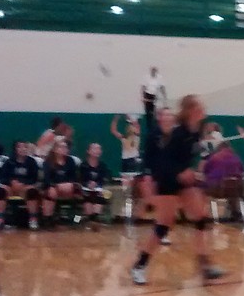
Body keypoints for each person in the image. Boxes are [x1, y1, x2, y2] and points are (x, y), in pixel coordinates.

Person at [130, 98, 224, 285]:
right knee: (164, 224)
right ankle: (139, 266)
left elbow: (192, 154)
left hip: (183, 181)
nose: (203, 108)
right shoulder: (177, 133)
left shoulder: (196, 130)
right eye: (199, 106)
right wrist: (179, 173)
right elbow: (163, 161)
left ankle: (205, 266)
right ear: (190, 110)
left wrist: (194, 172)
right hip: (167, 180)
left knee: (201, 217)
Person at [111, 114, 148, 220]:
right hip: (126, 164)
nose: (131, 128)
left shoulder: (137, 137)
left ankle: (136, 213)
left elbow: (137, 126)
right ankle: (124, 212)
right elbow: (113, 130)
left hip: (134, 164)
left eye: (133, 126)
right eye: (129, 126)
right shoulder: (123, 138)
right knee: (126, 189)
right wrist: (116, 118)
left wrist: (131, 118)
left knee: (135, 190)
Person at [41, 140, 80, 228]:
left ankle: (76, 219)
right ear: (55, 149)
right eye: (61, 147)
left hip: (68, 188)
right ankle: (48, 220)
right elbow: (47, 179)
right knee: (50, 193)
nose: (63, 149)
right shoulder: (48, 162)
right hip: (53, 187)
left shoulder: (70, 161)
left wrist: (68, 184)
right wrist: (56, 186)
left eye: (65, 147)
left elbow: (74, 178)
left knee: (77, 193)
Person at [6, 141, 42, 230]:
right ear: (15, 149)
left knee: (32, 192)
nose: (23, 149)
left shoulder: (32, 162)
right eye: (20, 147)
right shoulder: (9, 162)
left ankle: (33, 219)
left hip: (26, 187)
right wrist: (11, 182)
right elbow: (3, 177)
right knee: (0, 192)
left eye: (25, 147)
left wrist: (23, 184)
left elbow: (34, 178)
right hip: (12, 188)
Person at [79, 143, 110, 230]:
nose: (97, 151)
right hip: (85, 190)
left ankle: (94, 219)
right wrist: (87, 184)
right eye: (94, 149)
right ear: (88, 151)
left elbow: (104, 179)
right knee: (86, 196)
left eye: (99, 149)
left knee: (103, 195)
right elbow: (80, 179)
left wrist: (97, 184)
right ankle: (82, 219)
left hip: (98, 190)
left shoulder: (103, 166)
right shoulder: (83, 165)